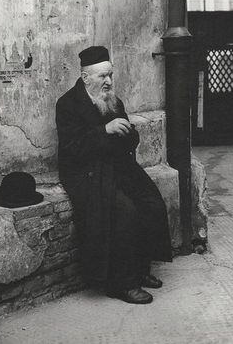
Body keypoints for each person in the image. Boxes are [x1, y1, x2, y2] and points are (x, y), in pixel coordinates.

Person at [56, 46, 172, 304]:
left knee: (151, 204)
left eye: (110, 75)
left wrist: (127, 134)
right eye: (102, 77)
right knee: (124, 212)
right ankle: (121, 283)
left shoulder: (113, 101)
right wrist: (104, 131)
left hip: (117, 165)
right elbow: (72, 149)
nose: (108, 81)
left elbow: (130, 138)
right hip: (85, 172)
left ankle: (140, 270)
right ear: (86, 78)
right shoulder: (67, 104)